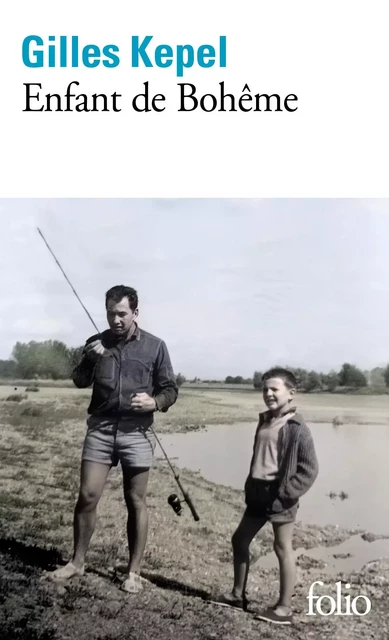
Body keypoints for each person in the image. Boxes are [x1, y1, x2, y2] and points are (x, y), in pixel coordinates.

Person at [50, 285, 178, 593]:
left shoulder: (156, 346)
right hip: (101, 430)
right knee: (87, 496)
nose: (115, 320)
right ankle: (76, 563)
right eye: (110, 313)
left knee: (136, 501)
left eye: (121, 313)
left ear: (135, 313)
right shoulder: (95, 343)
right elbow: (80, 381)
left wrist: (155, 403)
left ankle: (133, 572)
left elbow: (170, 389)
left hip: (138, 433)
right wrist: (89, 360)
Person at [212, 367, 318, 625]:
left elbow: (309, 469)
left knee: (282, 548)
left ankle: (284, 609)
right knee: (240, 540)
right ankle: (237, 596)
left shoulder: (297, 428)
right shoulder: (266, 419)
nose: (268, 394)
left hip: (279, 495)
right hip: (258, 493)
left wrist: (287, 494)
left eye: (274, 389)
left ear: (291, 393)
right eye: (265, 389)